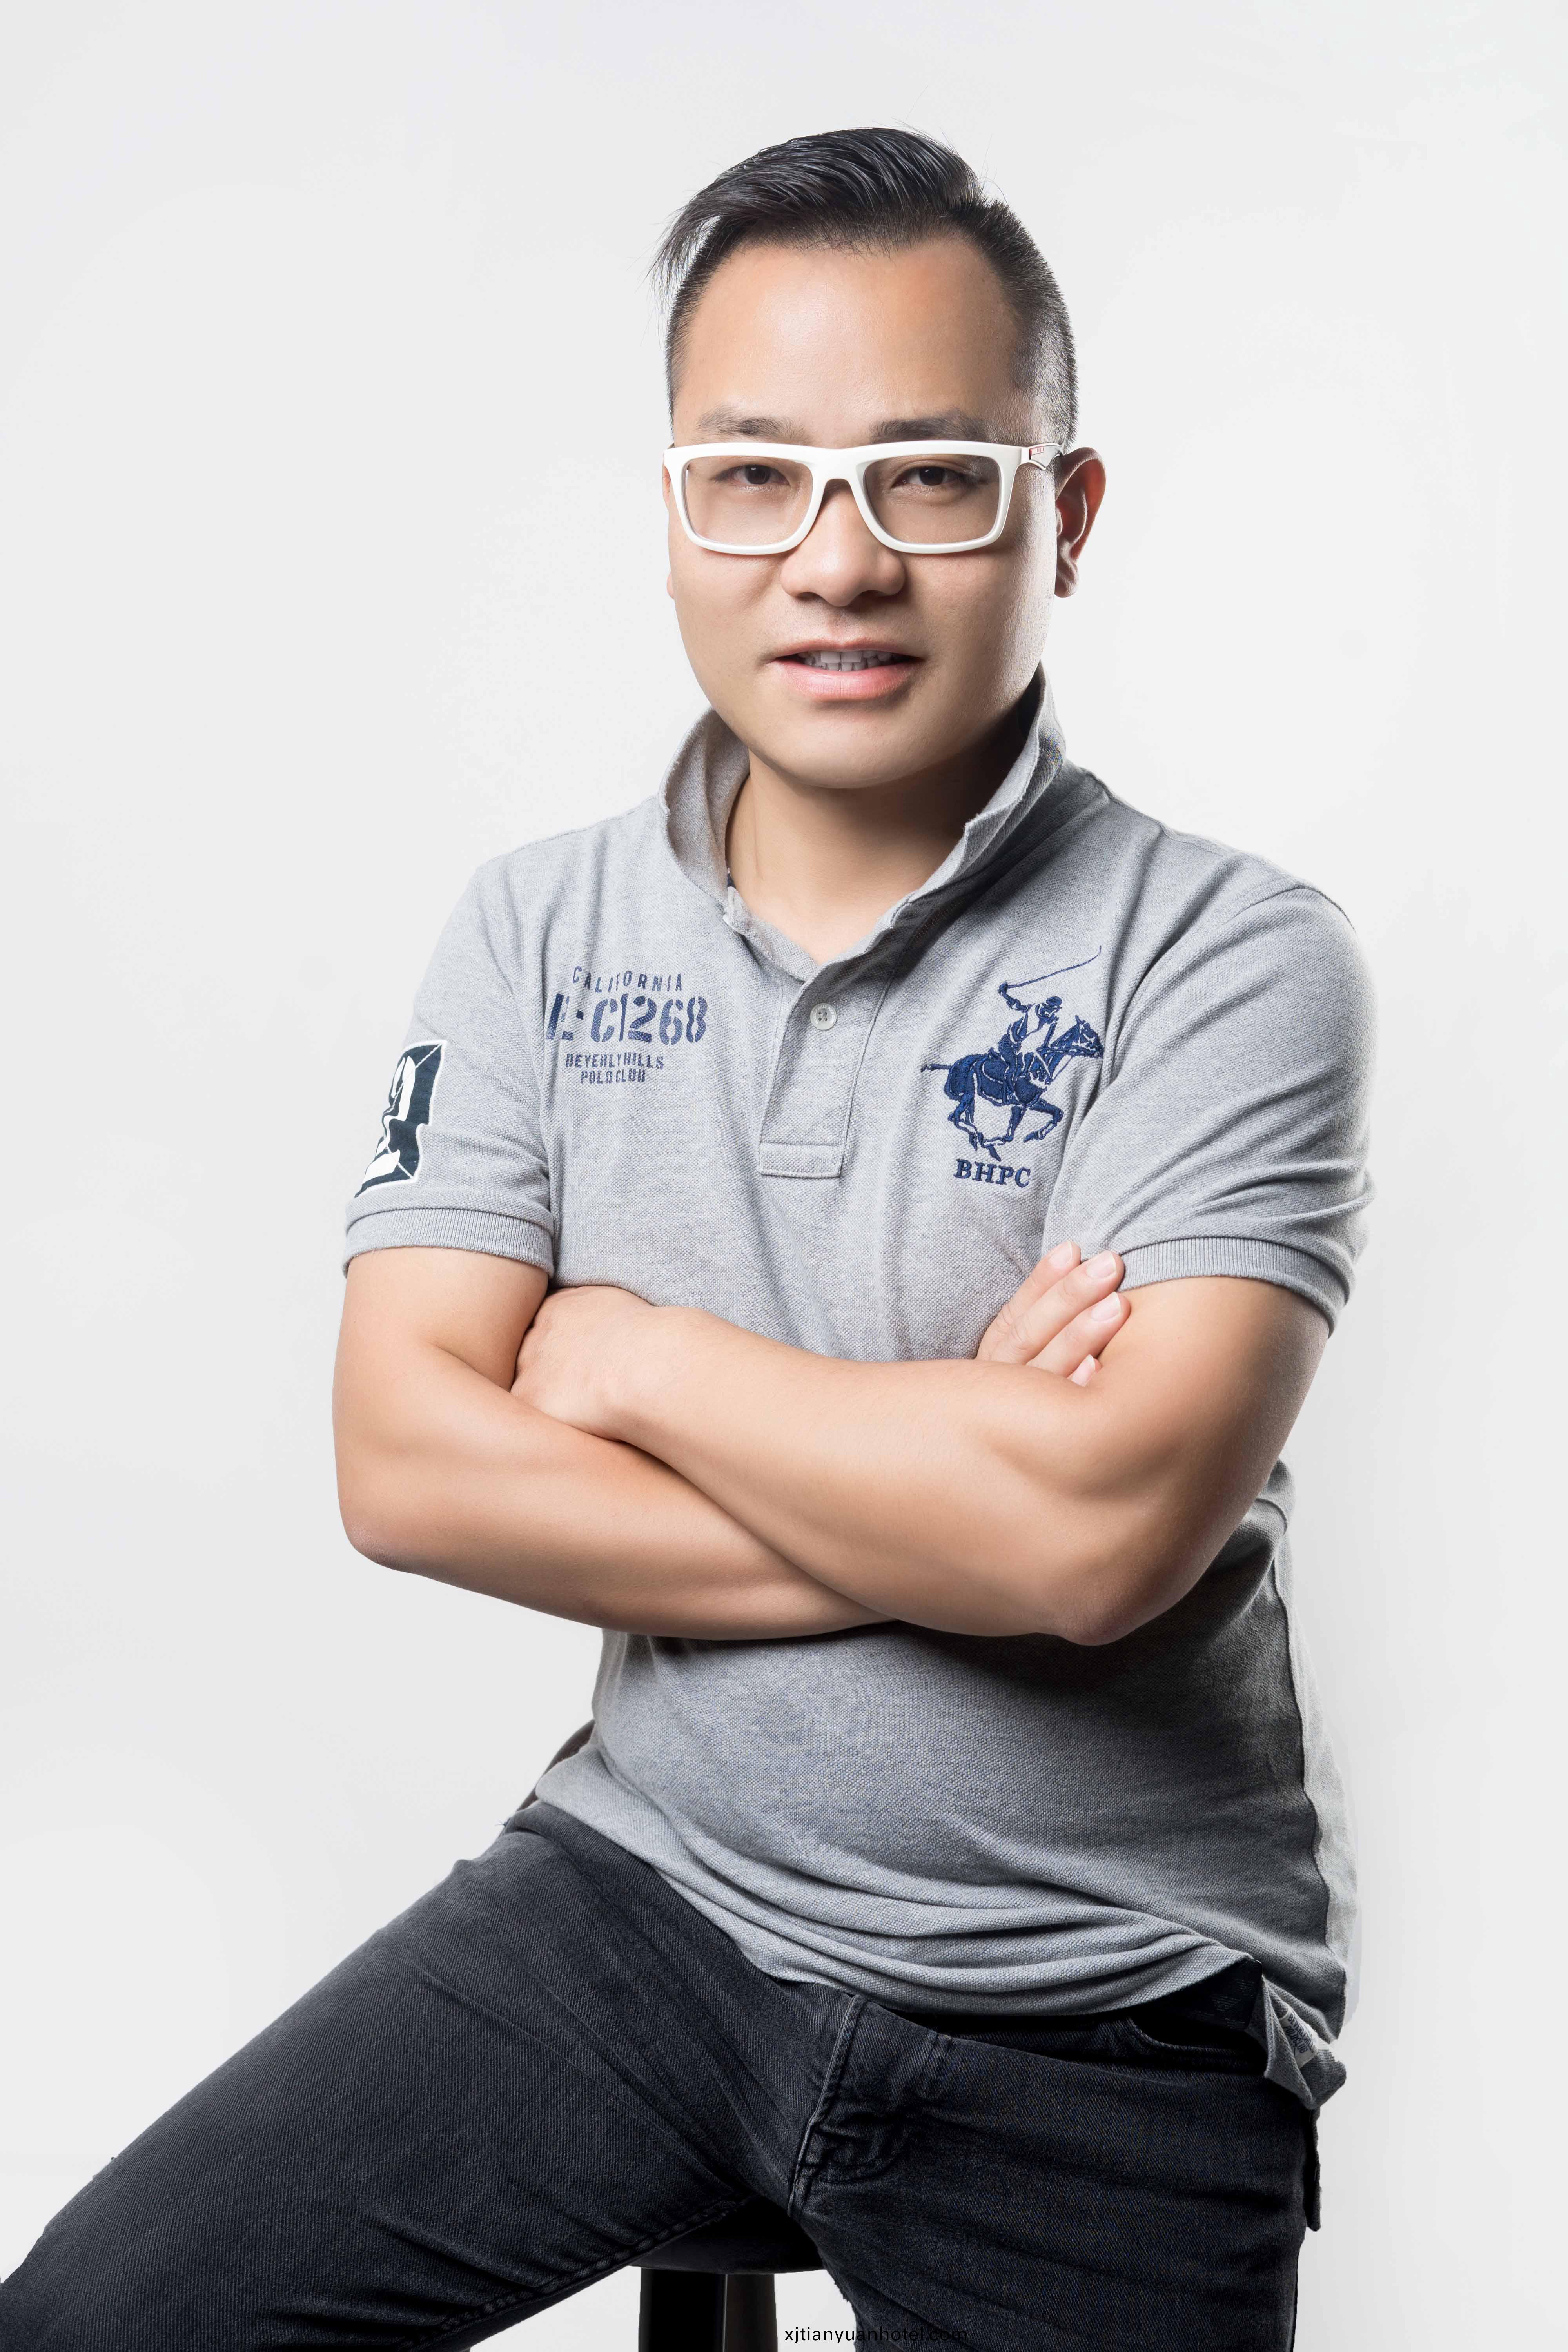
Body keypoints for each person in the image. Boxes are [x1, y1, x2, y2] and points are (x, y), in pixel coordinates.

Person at [0, 126, 1374, 2350]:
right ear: (673, 519)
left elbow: (1102, 1539)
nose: (837, 560)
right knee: (96, 2327)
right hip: (651, 1905)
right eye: (755, 477)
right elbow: (405, 1465)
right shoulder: (536, 931)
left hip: (1103, 2000)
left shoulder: (1232, 957)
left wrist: (639, 1363)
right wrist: (949, 1492)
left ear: (1064, 515)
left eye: (932, 477)